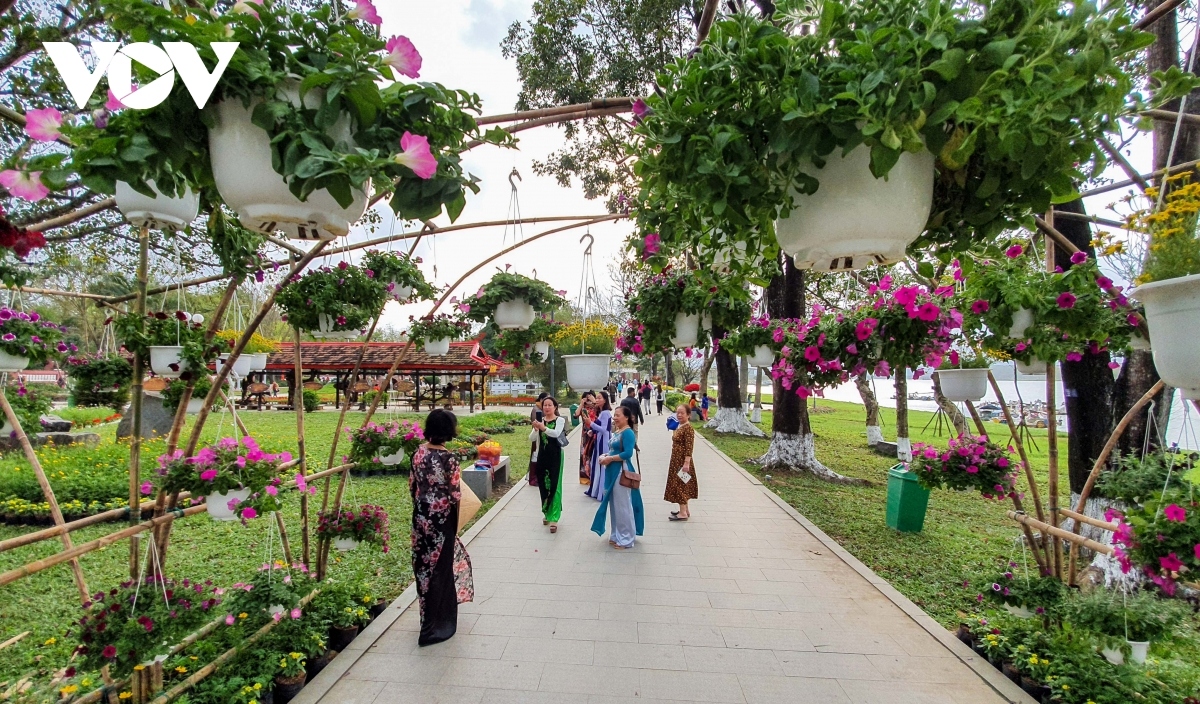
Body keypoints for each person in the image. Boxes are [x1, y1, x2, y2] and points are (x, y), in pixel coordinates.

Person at [409, 409, 474, 646]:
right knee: (440, 569)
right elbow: (455, 494)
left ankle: (426, 619)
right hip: (441, 520)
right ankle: (436, 627)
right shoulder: (449, 458)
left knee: (423, 568)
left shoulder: (418, 452)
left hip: (420, 518)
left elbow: (412, 486)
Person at [591, 405, 644, 549]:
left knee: (623, 506)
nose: (614, 417)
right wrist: (605, 455)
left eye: (618, 415)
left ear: (626, 417)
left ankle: (626, 539)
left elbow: (628, 453)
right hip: (611, 470)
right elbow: (613, 449)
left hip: (621, 471)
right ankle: (616, 534)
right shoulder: (618, 431)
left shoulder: (628, 433)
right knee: (614, 506)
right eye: (614, 415)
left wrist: (610, 459)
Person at [529, 396, 568, 533]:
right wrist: (536, 429)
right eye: (544, 405)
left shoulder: (560, 420)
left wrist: (543, 428)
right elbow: (531, 439)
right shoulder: (541, 421)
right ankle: (547, 512)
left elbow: (556, 433)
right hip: (542, 456)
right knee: (544, 484)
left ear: (555, 407)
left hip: (556, 456)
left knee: (555, 485)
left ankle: (554, 518)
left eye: (549, 405)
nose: (546, 407)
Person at [664, 404, 698, 520]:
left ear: (688, 415)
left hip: (682, 462)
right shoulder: (680, 426)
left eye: (682, 413)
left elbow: (689, 447)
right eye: (677, 412)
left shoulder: (688, 429)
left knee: (680, 485)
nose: (679, 415)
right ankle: (685, 509)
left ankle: (683, 513)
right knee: (683, 484)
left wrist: (686, 463)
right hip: (676, 461)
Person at [585, 391, 613, 501]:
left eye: (599, 398)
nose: (597, 400)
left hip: (604, 442)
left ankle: (601, 492)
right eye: (596, 398)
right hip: (601, 440)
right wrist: (593, 431)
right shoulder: (602, 412)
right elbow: (601, 428)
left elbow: (605, 429)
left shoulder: (605, 413)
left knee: (601, 465)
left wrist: (590, 423)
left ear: (605, 400)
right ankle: (596, 490)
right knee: (596, 465)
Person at [527, 393, 549, 487]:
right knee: (535, 458)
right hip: (537, 437)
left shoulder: (542, 408)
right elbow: (534, 423)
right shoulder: (536, 409)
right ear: (541, 400)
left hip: (544, 436)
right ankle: (534, 478)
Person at [576, 392, 597, 485]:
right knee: (584, 454)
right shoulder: (583, 409)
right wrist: (581, 404)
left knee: (594, 454)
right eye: (586, 398)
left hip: (595, 433)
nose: (588, 401)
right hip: (585, 434)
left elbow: (603, 411)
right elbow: (576, 415)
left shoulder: (597, 407)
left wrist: (594, 402)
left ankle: (595, 477)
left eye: (589, 398)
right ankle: (585, 478)